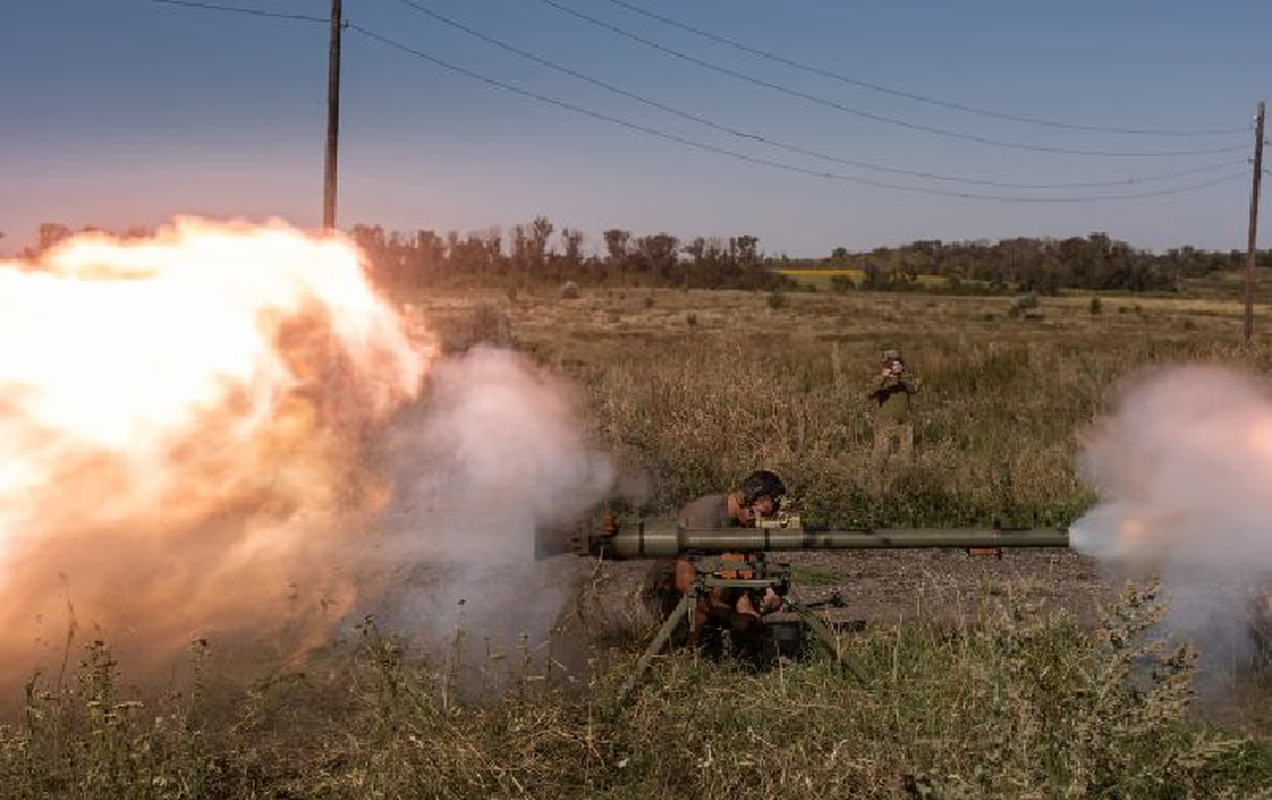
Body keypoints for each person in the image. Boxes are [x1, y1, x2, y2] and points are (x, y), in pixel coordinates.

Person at [648, 470, 787, 652]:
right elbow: (686, 583)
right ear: (754, 499)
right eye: (766, 509)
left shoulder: (746, 520)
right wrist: (732, 616)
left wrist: (748, 606)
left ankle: (726, 642)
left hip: (713, 589)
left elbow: (744, 573)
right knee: (718, 580)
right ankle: (689, 654)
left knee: (770, 598)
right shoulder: (705, 514)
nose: (763, 518)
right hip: (668, 590)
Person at [869, 349, 920, 465]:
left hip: (904, 423)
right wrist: (884, 378)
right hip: (885, 423)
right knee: (880, 457)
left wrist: (901, 377)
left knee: (906, 457)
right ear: (885, 364)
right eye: (891, 363)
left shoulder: (907, 378)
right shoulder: (879, 379)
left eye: (897, 363)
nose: (894, 366)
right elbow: (869, 393)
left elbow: (914, 389)